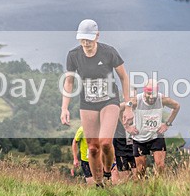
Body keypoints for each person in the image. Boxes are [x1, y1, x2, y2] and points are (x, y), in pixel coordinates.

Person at [61, 19, 133, 187]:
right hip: (88, 103)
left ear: (97, 36)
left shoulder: (109, 52)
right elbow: (69, 82)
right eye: (82, 39)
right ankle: (99, 184)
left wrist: (128, 106)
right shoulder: (74, 55)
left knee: (106, 142)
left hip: (109, 100)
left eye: (89, 39)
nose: (85, 43)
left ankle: (108, 171)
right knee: (93, 147)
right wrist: (64, 107)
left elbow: (124, 77)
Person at [129, 79, 180, 178]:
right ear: (144, 92)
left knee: (160, 166)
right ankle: (142, 190)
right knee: (140, 170)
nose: (152, 97)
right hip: (139, 138)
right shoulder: (137, 100)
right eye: (149, 94)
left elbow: (176, 106)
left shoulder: (162, 99)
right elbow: (121, 108)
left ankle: (158, 187)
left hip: (156, 136)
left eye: (154, 94)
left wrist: (167, 124)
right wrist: (127, 127)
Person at [113, 103, 136, 181]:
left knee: (137, 178)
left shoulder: (138, 108)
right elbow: (117, 107)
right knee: (125, 179)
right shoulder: (120, 110)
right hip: (121, 148)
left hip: (135, 148)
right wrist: (128, 105)